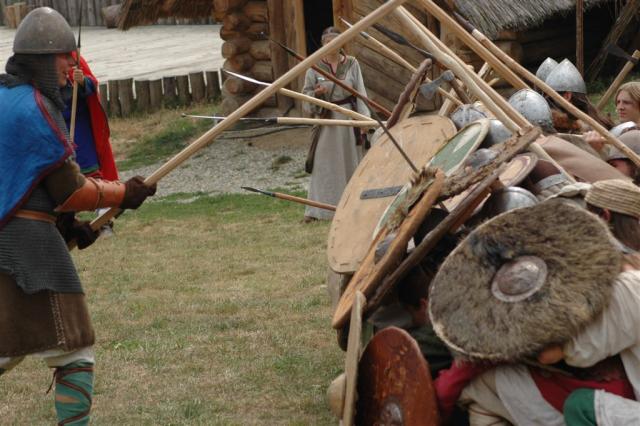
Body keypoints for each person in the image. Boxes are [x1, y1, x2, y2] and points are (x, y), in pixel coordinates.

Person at [0, 8, 156, 425]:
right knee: (75, 349)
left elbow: (24, 183)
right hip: (25, 245)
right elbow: (69, 190)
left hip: (17, 233)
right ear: (42, 59)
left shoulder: (4, 97)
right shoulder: (35, 108)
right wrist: (124, 193)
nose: (73, 64)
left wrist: (68, 229)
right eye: (66, 57)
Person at [458, 180, 640, 425]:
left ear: (603, 217)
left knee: (579, 405)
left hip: (621, 391)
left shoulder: (629, 287)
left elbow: (552, 354)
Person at [302, 26, 370, 222]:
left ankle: (350, 207)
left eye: (335, 41)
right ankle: (319, 211)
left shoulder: (352, 64)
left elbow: (361, 93)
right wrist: (316, 94)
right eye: (327, 42)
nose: (331, 45)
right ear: (323, 44)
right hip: (327, 122)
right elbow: (305, 97)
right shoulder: (313, 66)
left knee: (350, 163)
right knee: (324, 165)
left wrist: (364, 119)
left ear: (342, 43)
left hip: (348, 120)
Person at [63, 53, 118, 181]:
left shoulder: (72, 54)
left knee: (91, 178)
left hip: (80, 131)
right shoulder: (38, 59)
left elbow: (91, 83)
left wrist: (82, 81)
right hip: (54, 130)